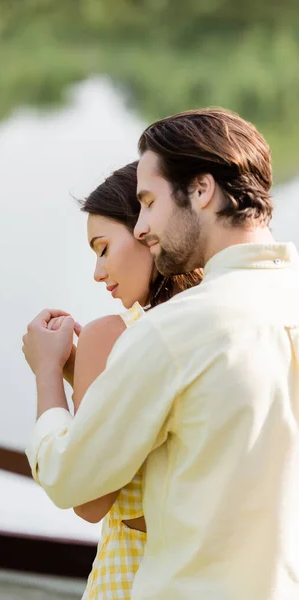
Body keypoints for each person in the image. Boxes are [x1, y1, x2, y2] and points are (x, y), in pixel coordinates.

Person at [22, 108, 299, 599]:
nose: (145, 226)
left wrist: (47, 371)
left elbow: (71, 480)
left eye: (148, 202)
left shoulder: (175, 332)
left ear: (200, 190)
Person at [47, 162, 202, 600]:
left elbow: (88, 501)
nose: (98, 273)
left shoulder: (110, 336)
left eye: (102, 248)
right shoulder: (214, 326)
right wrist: (83, 375)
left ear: (146, 232)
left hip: (133, 581)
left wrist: (47, 373)